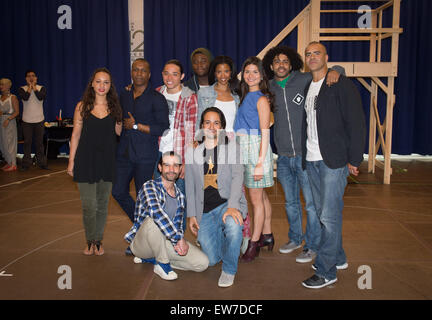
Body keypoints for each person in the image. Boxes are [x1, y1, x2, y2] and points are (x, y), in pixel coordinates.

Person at [262, 46, 343, 263]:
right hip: (284, 156)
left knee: (311, 204)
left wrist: (337, 69)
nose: (281, 65)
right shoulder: (267, 87)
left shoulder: (305, 80)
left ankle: (312, 245)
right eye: (277, 61)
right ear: (271, 66)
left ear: (292, 64)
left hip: (305, 155)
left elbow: (331, 71)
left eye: (285, 61)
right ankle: (295, 238)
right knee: (290, 203)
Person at [301, 42, 366, 289]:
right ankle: (338, 258)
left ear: (326, 57)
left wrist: (354, 158)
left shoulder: (340, 83)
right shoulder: (309, 85)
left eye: (317, 53)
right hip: (312, 159)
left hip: (334, 161)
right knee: (322, 214)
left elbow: (356, 122)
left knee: (328, 216)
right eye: (308, 54)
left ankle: (327, 271)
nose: (312, 57)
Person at [186, 107, 247, 287]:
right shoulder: (193, 151)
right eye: (207, 122)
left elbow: (238, 177)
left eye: (216, 122)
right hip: (205, 210)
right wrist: (192, 215)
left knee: (234, 226)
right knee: (211, 260)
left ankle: (229, 269)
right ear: (202, 126)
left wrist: (232, 206)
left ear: (222, 127)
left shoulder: (232, 147)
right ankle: (231, 245)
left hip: (228, 203)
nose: (211, 126)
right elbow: (189, 185)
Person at [125, 151, 209, 281]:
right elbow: (157, 213)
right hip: (142, 245)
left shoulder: (180, 196)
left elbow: (178, 225)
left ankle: (154, 260)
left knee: (202, 263)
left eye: (176, 165)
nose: (171, 169)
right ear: (160, 168)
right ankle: (163, 264)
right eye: (167, 165)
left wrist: (178, 243)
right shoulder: (150, 186)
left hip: (164, 242)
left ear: (181, 168)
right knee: (152, 221)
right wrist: (178, 238)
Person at [197, 55, 251, 252]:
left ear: (231, 73)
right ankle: (212, 232)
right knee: (212, 189)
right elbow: (200, 121)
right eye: (218, 71)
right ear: (214, 73)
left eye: (226, 71)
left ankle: (242, 234)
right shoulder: (204, 94)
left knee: (237, 190)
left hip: (232, 146)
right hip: (211, 145)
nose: (222, 75)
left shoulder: (237, 95)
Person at [67, 68, 123, 256]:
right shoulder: (82, 106)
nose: (101, 86)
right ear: (92, 83)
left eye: (105, 82)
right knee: (88, 205)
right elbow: (75, 135)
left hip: (106, 161)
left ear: (110, 86)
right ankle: (89, 239)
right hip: (85, 160)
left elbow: (118, 133)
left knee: (102, 204)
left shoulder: (115, 107)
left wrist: (122, 119)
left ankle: (97, 241)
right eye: (98, 81)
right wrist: (71, 161)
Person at [112, 59, 170, 224]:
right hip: (124, 153)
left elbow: (163, 128)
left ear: (149, 74)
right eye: (135, 70)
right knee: (117, 191)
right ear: (131, 72)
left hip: (145, 156)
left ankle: (142, 237)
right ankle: (141, 225)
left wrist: (136, 126)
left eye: (143, 70)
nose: (139, 73)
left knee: (142, 197)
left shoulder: (157, 98)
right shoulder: (125, 94)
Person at [234, 56, 274, 263]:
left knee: (255, 199)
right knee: (261, 195)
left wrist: (260, 162)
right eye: (247, 71)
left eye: (255, 72)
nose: (251, 75)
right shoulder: (245, 96)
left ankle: (254, 244)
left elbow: (265, 133)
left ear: (261, 76)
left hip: (256, 150)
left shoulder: (261, 99)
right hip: (243, 148)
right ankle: (267, 234)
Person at [154, 59, 198, 198]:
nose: (169, 78)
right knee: (159, 194)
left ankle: (180, 221)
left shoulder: (190, 97)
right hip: (159, 151)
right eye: (166, 73)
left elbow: (192, 132)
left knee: (180, 196)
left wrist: (186, 161)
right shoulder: (156, 93)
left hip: (179, 154)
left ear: (182, 76)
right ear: (162, 74)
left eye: (174, 74)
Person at [17, 70, 48, 171]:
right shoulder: (22, 89)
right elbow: (25, 98)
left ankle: (42, 163)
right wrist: (30, 88)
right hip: (27, 121)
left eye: (33, 76)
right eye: (29, 76)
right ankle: (26, 164)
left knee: (39, 143)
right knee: (27, 143)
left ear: (36, 78)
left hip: (39, 120)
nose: (31, 78)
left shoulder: (41, 88)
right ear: (26, 78)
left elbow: (40, 97)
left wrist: (34, 88)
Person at [0, 78, 19, 172]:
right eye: (0, 84)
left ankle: (13, 164)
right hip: (1, 121)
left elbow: (17, 112)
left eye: (2, 84)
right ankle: (8, 161)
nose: (1, 86)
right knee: (2, 143)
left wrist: (8, 119)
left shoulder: (13, 97)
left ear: (8, 86)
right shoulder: (0, 97)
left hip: (9, 121)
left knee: (9, 142)